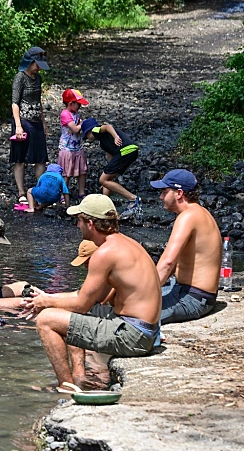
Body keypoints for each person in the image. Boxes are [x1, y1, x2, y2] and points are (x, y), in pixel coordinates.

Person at [22, 194, 162, 390]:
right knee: (59, 313)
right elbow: (94, 296)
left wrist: (45, 304)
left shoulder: (104, 254)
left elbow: (82, 305)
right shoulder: (126, 244)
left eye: (79, 220)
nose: (77, 226)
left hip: (132, 335)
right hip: (146, 332)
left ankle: (66, 388)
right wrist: (46, 297)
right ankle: (78, 377)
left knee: (46, 320)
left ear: (90, 223)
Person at [150, 169, 222, 324]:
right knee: (126, 300)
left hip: (193, 298)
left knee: (135, 314)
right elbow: (174, 263)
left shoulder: (188, 217)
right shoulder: (199, 212)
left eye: (164, 191)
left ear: (179, 193)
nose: (161, 197)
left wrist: (145, 294)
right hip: (186, 291)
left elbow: (167, 263)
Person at [10, 46, 50, 204]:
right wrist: (18, 126)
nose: (39, 67)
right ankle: (21, 192)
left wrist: (44, 122)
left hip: (36, 121)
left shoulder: (38, 79)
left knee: (40, 158)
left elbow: (38, 101)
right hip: (23, 121)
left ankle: (41, 191)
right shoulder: (19, 77)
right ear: (30, 62)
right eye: (37, 64)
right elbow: (15, 103)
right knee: (20, 158)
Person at [81, 118, 141, 220]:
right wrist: (107, 180)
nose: (88, 138)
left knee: (102, 179)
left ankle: (133, 199)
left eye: (86, 135)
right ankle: (106, 208)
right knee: (105, 180)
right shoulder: (103, 143)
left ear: (89, 131)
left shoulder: (96, 130)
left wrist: (116, 137)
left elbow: (108, 126)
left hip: (125, 151)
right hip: (130, 151)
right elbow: (110, 161)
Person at [57, 89, 89, 201]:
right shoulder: (65, 114)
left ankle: (81, 192)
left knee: (82, 170)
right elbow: (75, 129)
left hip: (77, 146)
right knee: (66, 172)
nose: (80, 106)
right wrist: (83, 124)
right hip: (67, 148)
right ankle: (63, 194)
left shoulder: (76, 114)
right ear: (71, 103)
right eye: (78, 104)